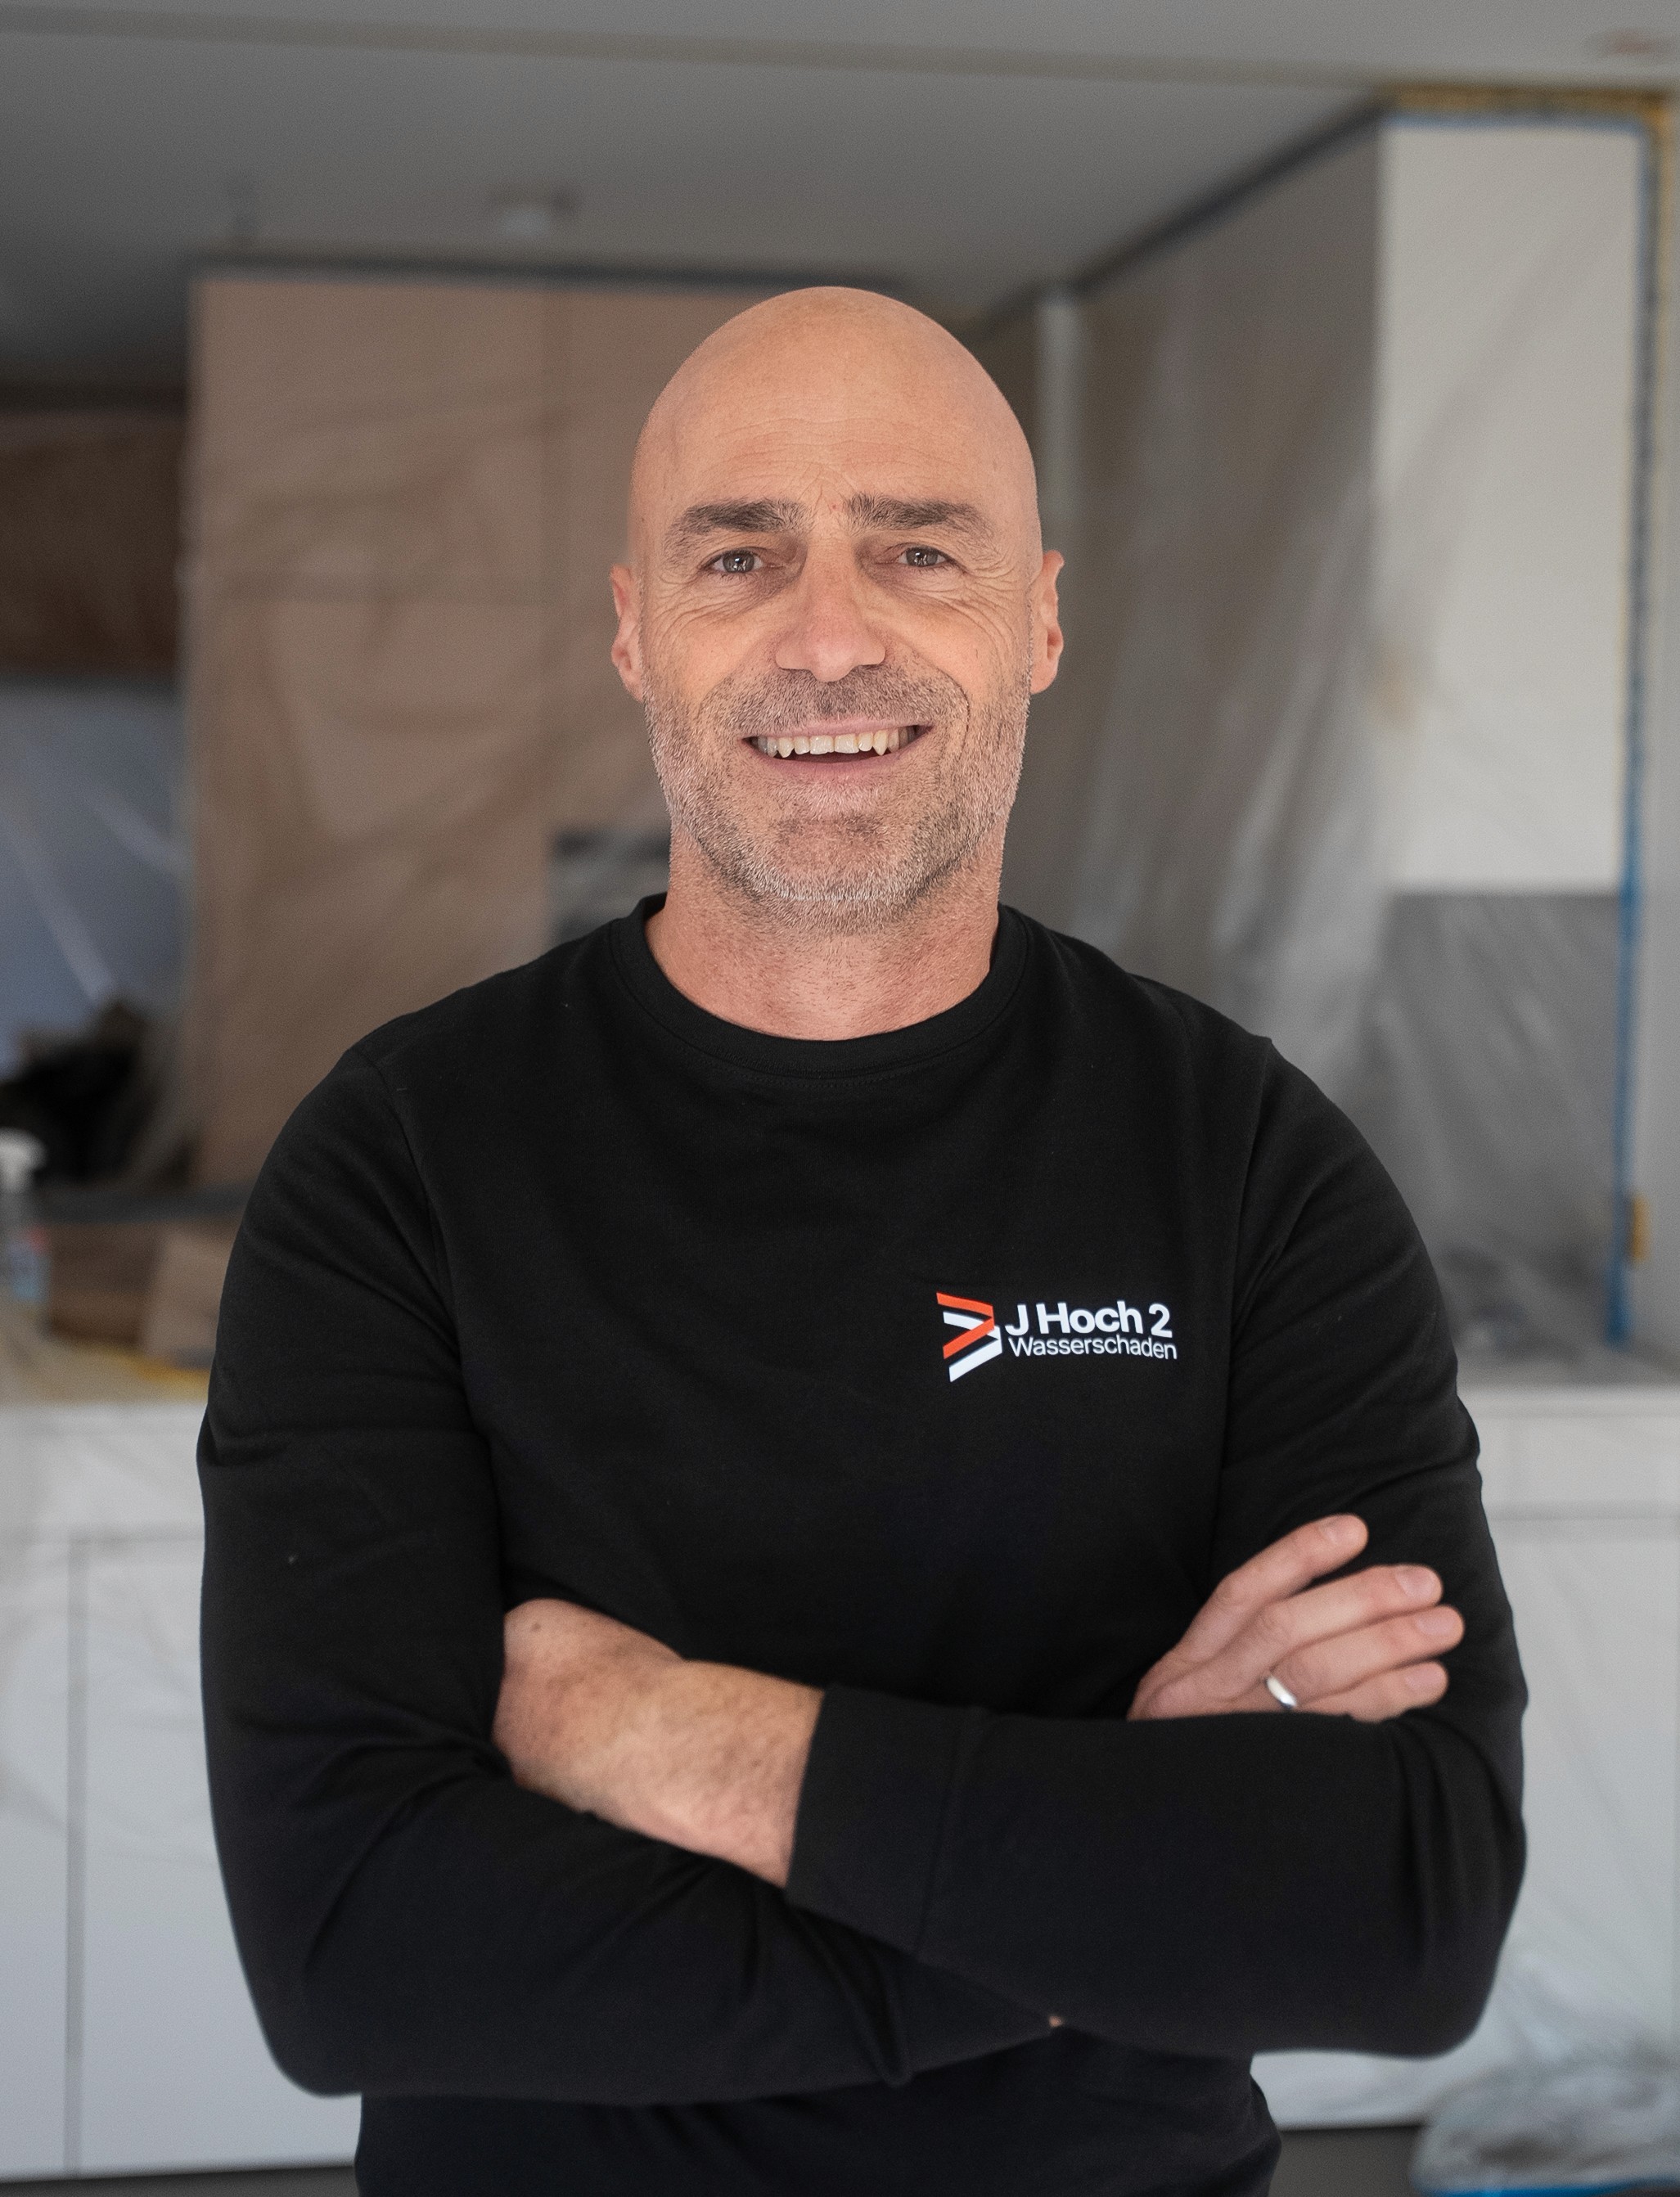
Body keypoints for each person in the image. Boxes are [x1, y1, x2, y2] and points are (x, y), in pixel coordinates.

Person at [200, 287, 1525, 2197]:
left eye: (918, 548)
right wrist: (1101, 1887)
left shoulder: (1246, 1162)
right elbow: (357, 1949)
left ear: (1041, 619)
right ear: (636, 633)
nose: (831, 635)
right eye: (741, 555)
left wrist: (676, 1734)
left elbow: (1403, 1911)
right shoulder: (404, 1160)